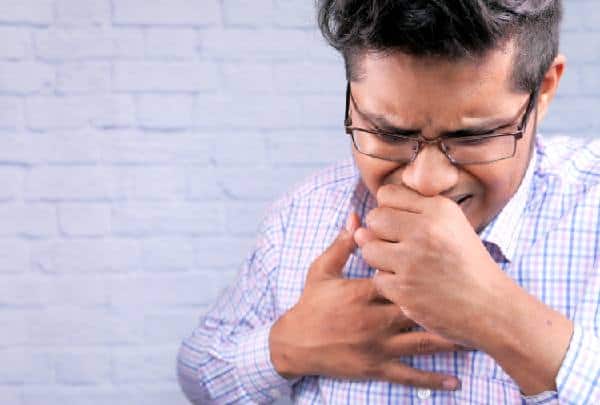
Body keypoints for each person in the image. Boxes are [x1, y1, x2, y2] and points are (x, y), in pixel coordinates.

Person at [177, 1, 600, 403]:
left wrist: (500, 314)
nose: (426, 182)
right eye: (389, 133)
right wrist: (288, 346)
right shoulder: (300, 215)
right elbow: (199, 372)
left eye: (473, 137)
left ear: (544, 89)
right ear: (352, 97)